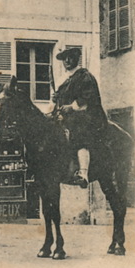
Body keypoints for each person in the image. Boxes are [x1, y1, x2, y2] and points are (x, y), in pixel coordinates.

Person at [51, 47, 107, 188]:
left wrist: (71, 106)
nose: (67, 61)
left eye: (70, 57)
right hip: (69, 118)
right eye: (64, 59)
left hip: (88, 116)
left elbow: (87, 98)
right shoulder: (65, 81)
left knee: (79, 134)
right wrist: (56, 99)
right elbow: (61, 101)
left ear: (77, 58)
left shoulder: (85, 76)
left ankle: (83, 173)